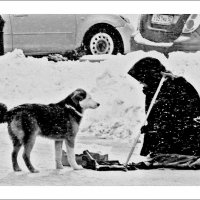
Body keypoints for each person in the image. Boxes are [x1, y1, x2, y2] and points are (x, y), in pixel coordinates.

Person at [127, 57, 200, 157]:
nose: (140, 82)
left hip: (184, 141)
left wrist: (159, 127)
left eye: (141, 79)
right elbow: (154, 117)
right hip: (165, 140)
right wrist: (151, 129)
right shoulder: (153, 90)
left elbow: (185, 116)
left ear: (149, 77)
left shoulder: (178, 87)